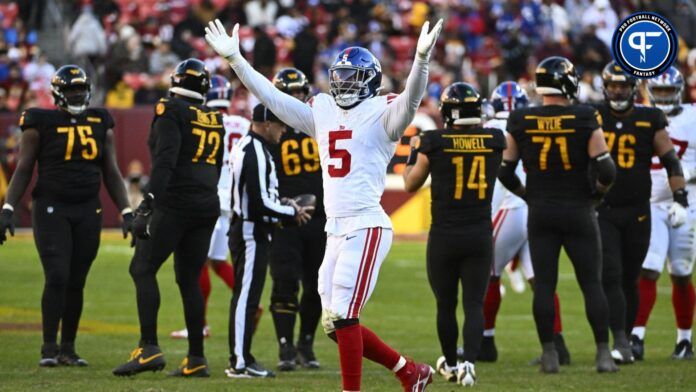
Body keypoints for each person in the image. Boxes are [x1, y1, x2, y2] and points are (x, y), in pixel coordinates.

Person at [205, 17, 443, 391]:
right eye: (340, 75)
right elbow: (273, 98)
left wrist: (421, 60)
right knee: (335, 323)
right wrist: (236, 59)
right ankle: (408, 371)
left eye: (351, 76)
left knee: (345, 316)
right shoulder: (324, 111)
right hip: (335, 228)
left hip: (365, 225)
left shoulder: (384, 112)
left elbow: (412, 99)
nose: (343, 82)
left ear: (369, 80)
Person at [0, 65, 133, 366]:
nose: (77, 94)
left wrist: (126, 211)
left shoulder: (100, 120)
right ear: (59, 93)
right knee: (57, 275)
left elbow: (111, 172)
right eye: (71, 90)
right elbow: (23, 169)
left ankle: (68, 349)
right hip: (51, 207)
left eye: (80, 89)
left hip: (88, 208)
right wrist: (8, 208)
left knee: (76, 280)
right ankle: (49, 348)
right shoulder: (39, 122)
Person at [497, 56, 618, 373]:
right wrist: (598, 194)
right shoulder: (584, 116)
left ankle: (549, 353)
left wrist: (528, 195)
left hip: (541, 211)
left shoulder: (521, 118)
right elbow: (606, 168)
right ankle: (603, 353)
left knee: (546, 286)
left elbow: (505, 171)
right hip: (578, 209)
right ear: (567, 83)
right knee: (591, 283)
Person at [112, 59, 223, 378]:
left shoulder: (170, 110)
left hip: (176, 203)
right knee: (189, 279)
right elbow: (215, 166)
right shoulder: (214, 117)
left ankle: (148, 348)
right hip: (206, 204)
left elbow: (165, 162)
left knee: (142, 267)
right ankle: (196, 358)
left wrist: (146, 204)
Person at [403, 82, 505, 387]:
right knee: (474, 303)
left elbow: (410, 183)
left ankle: (449, 363)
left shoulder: (432, 141)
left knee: (445, 305)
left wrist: (413, 154)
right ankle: (469, 365)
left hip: (445, 234)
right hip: (479, 232)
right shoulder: (495, 139)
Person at [594, 62, 687, 364]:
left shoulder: (649, 118)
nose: (618, 91)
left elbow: (671, 160)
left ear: (634, 89)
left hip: (638, 210)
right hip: (604, 208)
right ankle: (619, 340)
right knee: (611, 274)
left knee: (631, 277)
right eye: (613, 85)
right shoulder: (593, 116)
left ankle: (631, 338)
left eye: (623, 85)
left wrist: (681, 196)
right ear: (605, 87)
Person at [480, 81, 570, 365]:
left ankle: (486, 342)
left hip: (511, 206)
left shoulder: (487, 128)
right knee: (541, 282)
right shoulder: (531, 123)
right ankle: (557, 346)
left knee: (488, 274)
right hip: (536, 207)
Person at [225, 104, 313, 378]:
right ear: (265, 123)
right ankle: (240, 362)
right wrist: (291, 211)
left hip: (248, 228)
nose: (284, 130)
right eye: (279, 124)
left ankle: (242, 357)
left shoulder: (250, 146)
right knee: (246, 298)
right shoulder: (255, 151)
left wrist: (282, 203)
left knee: (246, 297)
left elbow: (259, 197)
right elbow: (260, 203)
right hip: (252, 231)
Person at [169, 74, 249, 340]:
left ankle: (199, 324)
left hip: (208, 196)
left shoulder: (204, 120)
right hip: (233, 201)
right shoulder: (244, 123)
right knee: (217, 261)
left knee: (197, 262)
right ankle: (250, 303)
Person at [632, 66, 696, 360]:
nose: (665, 97)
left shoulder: (693, 117)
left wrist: (690, 174)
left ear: (679, 91)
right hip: (651, 202)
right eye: (660, 91)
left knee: (681, 273)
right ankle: (636, 337)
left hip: (688, 203)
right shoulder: (640, 115)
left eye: (669, 91)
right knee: (649, 267)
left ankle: (684, 341)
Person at [268, 68, 326, 371]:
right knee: (284, 283)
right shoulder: (271, 128)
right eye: (288, 95)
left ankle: (305, 342)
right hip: (284, 220)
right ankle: (285, 346)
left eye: (299, 94)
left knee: (319, 285)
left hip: (319, 218)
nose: (294, 101)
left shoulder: (320, 122)